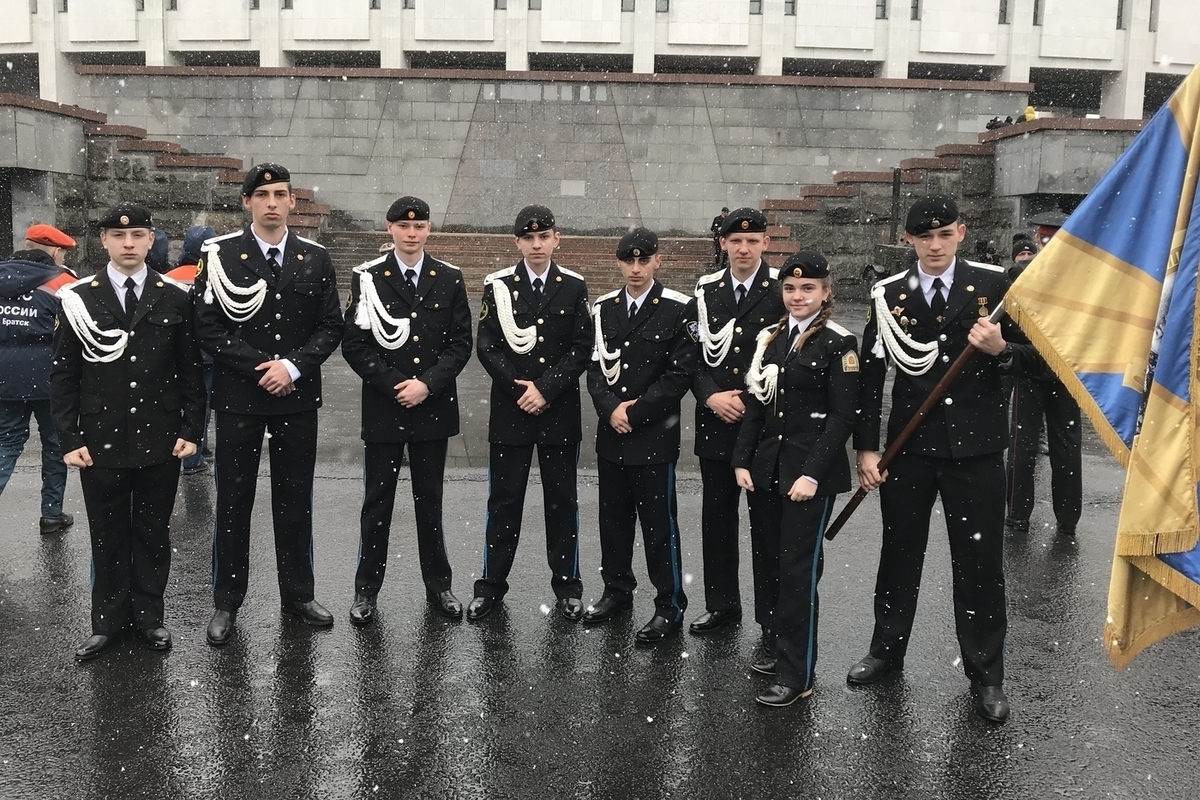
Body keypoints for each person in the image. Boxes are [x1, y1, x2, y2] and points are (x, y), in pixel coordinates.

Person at [851, 195, 1014, 724]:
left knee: (980, 563)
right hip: (910, 449)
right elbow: (871, 376)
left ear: (961, 232)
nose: (936, 245)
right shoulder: (887, 294)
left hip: (977, 450)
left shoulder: (996, 285)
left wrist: (1002, 350)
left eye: (945, 234)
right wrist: (867, 447)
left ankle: (986, 673)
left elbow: (1044, 361)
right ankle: (886, 650)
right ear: (909, 240)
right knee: (899, 552)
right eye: (925, 237)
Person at [193, 163, 344, 645]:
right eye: (262, 195)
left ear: (293, 201)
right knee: (233, 500)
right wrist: (263, 367)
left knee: (294, 499)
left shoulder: (315, 257)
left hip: (296, 397)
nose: (272, 203)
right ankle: (227, 601)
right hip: (240, 397)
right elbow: (206, 325)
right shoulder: (219, 255)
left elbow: (331, 326)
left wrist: (293, 367)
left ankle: (298, 594)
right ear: (246, 202)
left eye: (281, 194)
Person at [49, 203, 205, 661]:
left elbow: (190, 371)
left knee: (153, 531)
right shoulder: (78, 297)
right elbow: (64, 375)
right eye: (119, 236)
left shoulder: (175, 296)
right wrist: (69, 438)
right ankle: (107, 623)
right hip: (101, 437)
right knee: (107, 532)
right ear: (104, 241)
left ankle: (150, 617)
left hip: (160, 434)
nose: (129, 243)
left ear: (151, 239)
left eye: (138, 234)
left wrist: (192, 428)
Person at [730, 251, 859, 706]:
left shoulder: (839, 343)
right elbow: (757, 402)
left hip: (808, 476)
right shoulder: (771, 338)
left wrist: (811, 474)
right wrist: (742, 460)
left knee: (797, 571)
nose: (798, 296)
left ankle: (796, 673)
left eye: (808, 288)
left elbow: (842, 418)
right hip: (767, 470)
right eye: (790, 288)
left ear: (825, 292)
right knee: (767, 562)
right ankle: (773, 642)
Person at [341, 196, 473, 625]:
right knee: (376, 503)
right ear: (390, 229)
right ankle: (366, 591)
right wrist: (395, 384)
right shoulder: (368, 277)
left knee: (429, 501)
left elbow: (460, 343)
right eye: (403, 226)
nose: (411, 233)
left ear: (429, 230)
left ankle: (439, 586)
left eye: (419, 226)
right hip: (386, 406)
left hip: (432, 407)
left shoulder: (449, 277)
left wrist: (427, 384)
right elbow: (355, 344)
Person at [470, 205, 592, 621]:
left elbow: (581, 348)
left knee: (562, 502)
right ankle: (490, 586)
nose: (537, 244)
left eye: (544, 237)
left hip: (558, 411)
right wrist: (520, 389)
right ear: (517, 242)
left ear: (557, 239)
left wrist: (545, 389)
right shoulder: (499, 285)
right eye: (529, 238)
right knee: (504, 502)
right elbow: (487, 345)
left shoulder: (573, 286)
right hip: (512, 410)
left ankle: (568, 587)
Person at [582, 227, 698, 642]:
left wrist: (635, 412)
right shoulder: (604, 308)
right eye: (628, 261)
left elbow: (679, 374)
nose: (635, 268)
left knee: (658, 526)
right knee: (612, 521)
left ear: (657, 261)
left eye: (643, 260)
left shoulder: (679, 308)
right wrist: (610, 408)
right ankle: (617, 591)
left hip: (652, 436)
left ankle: (669, 605)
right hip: (613, 433)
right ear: (618, 263)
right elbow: (595, 367)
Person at [689, 208, 784, 658]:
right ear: (723, 244)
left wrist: (750, 398)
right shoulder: (706, 289)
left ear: (766, 243)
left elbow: (787, 353)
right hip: (716, 421)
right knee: (717, 518)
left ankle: (771, 619)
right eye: (735, 241)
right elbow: (690, 355)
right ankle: (722, 604)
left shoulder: (783, 288)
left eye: (752, 240)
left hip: (763, 424)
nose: (743, 248)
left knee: (766, 525)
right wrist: (710, 396)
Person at [1003, 212, 1082, 537]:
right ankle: (1068, 518)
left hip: (1031, 364)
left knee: (1023, 445)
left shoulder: (1022, 272)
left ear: (1038, 238)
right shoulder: (1081, 274)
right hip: (1066, 366)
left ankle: (1018, 514)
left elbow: (1011, 319)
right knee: (1067, 446)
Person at [0, 250, 76, 535]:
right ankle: (52, 513)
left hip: (4, 377)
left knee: (6, 443)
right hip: (49, 377)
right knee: (55, 445)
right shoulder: (60, 283)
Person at [166, 224, 218, 476]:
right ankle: (195, 455)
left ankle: (182, 449)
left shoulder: (169, 276)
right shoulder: (215, 275)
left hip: (174, 352)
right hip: (206, 353)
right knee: (202, 403)